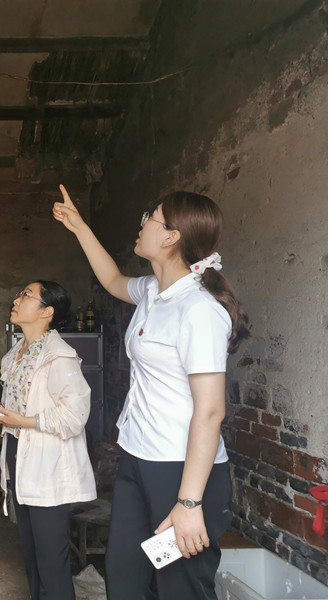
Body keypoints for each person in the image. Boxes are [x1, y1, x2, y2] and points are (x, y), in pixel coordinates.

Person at [52, 184, 250, 600]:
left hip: (181, 470)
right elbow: (112, 280)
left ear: (171, 236)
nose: (141, 224)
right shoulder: (152, 292)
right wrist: (80, 227)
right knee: (123, 577)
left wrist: (189, 503)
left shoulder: (199, 309)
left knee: (180, 586)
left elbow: (211, 411)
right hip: (138, 459)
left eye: (150, 218)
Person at [0, 280, 96, 600]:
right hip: (18, 454)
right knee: (32, 555)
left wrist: (24, 422)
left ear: (47, 312)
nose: (17, 299)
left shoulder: (59, 356)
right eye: (20, 293)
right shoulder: (15, 355)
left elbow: (75, 416)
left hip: (48, 463)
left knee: (50, 559)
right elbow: (20, 405)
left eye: (26, 295)